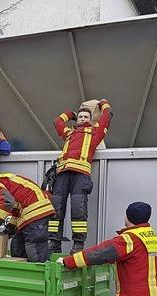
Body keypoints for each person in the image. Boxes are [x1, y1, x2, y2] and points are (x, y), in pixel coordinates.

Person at [48, 99, 112, 254]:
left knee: (78, 210)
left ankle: (78, 245)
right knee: (56, 210)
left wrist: (104, 103)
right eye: (80, 117)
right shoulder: (69, 133)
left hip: (80, 175)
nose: (82, 119)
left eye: (85, 117)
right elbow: (57, 121)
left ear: (91, 120)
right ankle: (54, 243)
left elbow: (107, 116)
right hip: (62, 174)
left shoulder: (95, 132)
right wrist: (71, 114)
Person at [0, 173, 55, 263]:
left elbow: (7, 203)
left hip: (35, 211)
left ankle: (41, 274)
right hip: (29, 213)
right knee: (17, 246)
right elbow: (16, 207)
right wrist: (11, 226)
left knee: (35, 250)